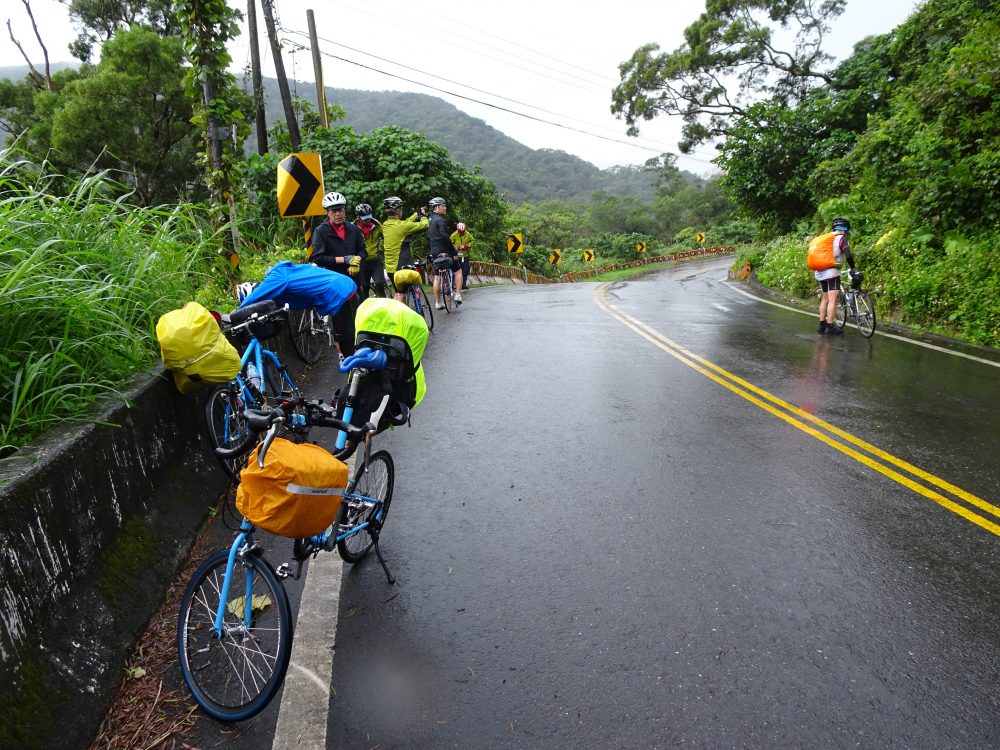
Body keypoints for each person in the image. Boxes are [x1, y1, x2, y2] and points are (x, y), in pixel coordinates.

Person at [237, 260, 360, 356]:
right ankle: (357, 376)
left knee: (348, 342)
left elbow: (253, 298)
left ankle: (364, 379)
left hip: (340, 294)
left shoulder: (277, 278)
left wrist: (237, 314)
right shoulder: (289, 271)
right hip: (342, 290)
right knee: (344, 337)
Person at [808, 217, 856, 335]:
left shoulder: (827, 239)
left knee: (825, 299)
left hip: (820, 271)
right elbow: (848, 255)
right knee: (833, 299)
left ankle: (821, 324)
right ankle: (830, 326)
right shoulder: (841, 239)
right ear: (845, 229)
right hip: (832, 273)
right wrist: (853, 268)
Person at [380, 196, 429, 302]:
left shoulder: (384, 225)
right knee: (401, 295)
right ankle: (398, 317)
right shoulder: (402, 226)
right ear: (398, 211)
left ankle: (397, 315)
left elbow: (405, 223)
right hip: (401, 267)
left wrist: (416, 214)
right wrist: (423, 216)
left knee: (398, 293)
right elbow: (425, 225)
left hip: (390, 269)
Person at [310, 191, 367, 278]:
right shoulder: (320, 231)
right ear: (328, 212)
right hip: (332, 278)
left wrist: (356, 260)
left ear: (344, 210)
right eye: (333, 211)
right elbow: (318, 258)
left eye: (340, 210)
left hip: (353, 277)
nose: (338, 214)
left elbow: (363, 251)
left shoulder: (353, 228)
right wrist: (344, 259)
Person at [427, 196, 462, 308]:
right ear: (437, 207)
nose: (445, 208)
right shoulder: (440, 220)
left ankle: (438, 303)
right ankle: (457, 295)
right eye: (443, 206)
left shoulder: (430, 219)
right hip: (445, 252)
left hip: (435, 252)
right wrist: (454, 251)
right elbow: (444, 236)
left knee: (437, 277)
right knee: (458, 271)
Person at [353, 203, 386, 298]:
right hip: (361, 262)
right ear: (358, 217)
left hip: (376, 260)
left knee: (380, 284)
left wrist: (381, 249)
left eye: (369, 217)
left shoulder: (377, 225)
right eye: (365, 218)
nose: (368, 220)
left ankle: (384, 307)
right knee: (364, 287)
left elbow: (386, 239)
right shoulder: (353, 228)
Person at [449, 221, 474, 290]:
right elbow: (449, 243)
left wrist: (467, 246)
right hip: (456, 255)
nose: (462, 233)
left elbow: (472, 241)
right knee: (456, 270)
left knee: (465, 270)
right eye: (460, 232)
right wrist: (456, 247)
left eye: (463, 232)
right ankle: (454, 285)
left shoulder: (468, 234)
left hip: (465, 255)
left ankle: (463, 284)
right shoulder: (454, 234)